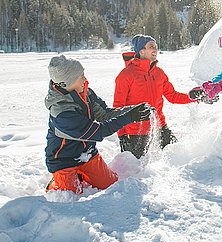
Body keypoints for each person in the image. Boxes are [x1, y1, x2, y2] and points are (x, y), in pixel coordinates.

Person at [45, 54, 151, 194]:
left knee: (110, 184)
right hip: (63, 160)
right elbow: (97, 132)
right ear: (67, 83)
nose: (85, 79)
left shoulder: (85, 92)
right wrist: (129, 118)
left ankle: (82, 175)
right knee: (70, 194)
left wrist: (133, 110)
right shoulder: (61, 112)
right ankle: (57, 182)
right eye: (80, 77)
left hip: (88, 153)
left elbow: (105, 115)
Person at [114, 35, 196, 159]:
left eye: (156, 47)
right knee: (137, 172)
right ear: (141, 51)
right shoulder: (126, 75)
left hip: (159, 126)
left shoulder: (159, 73)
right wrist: (122, 135)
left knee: (178, 158)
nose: (155, 50)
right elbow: (118, 107)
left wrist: (194, 97)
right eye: (151, 47)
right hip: (136, 132)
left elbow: (173, 96)